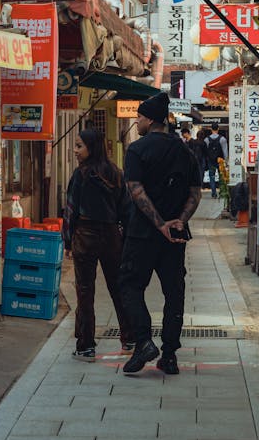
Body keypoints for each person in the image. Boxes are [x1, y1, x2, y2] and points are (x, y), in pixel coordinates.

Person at [119, 92, 202, 375]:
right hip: (175, 236)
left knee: (130, 285)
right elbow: (195, 193)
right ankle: (169, 355)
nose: (136, 121)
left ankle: (143, 341)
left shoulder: (137, 150)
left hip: (142, 234)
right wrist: (178, 220)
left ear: (151, 119)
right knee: (173, 293)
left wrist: (158, 223)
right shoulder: (185, 151)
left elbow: (135, 190)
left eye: (139, 117)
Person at [63, 127, 134, 361]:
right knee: (118, 287)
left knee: (85, 292)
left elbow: (71, 210)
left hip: (85, 234)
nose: (75, 150)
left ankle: (86, 347)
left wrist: (67, 240)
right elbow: (126, 209)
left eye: (79, 146)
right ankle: (130, 339)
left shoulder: (80, 174)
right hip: (112, 235)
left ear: (91, 147)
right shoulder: (115, 173)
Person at [205, 124, 229, 198]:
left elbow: (205, 150)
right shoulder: (222, 139)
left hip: (210, 160)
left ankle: (214, 193)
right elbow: (225, 151)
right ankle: (222, 192)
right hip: (220, 160)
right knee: (221, 176)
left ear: (211, 129)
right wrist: (226, 161)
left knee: (211, 176)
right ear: (218, 129)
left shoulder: (206, 139)